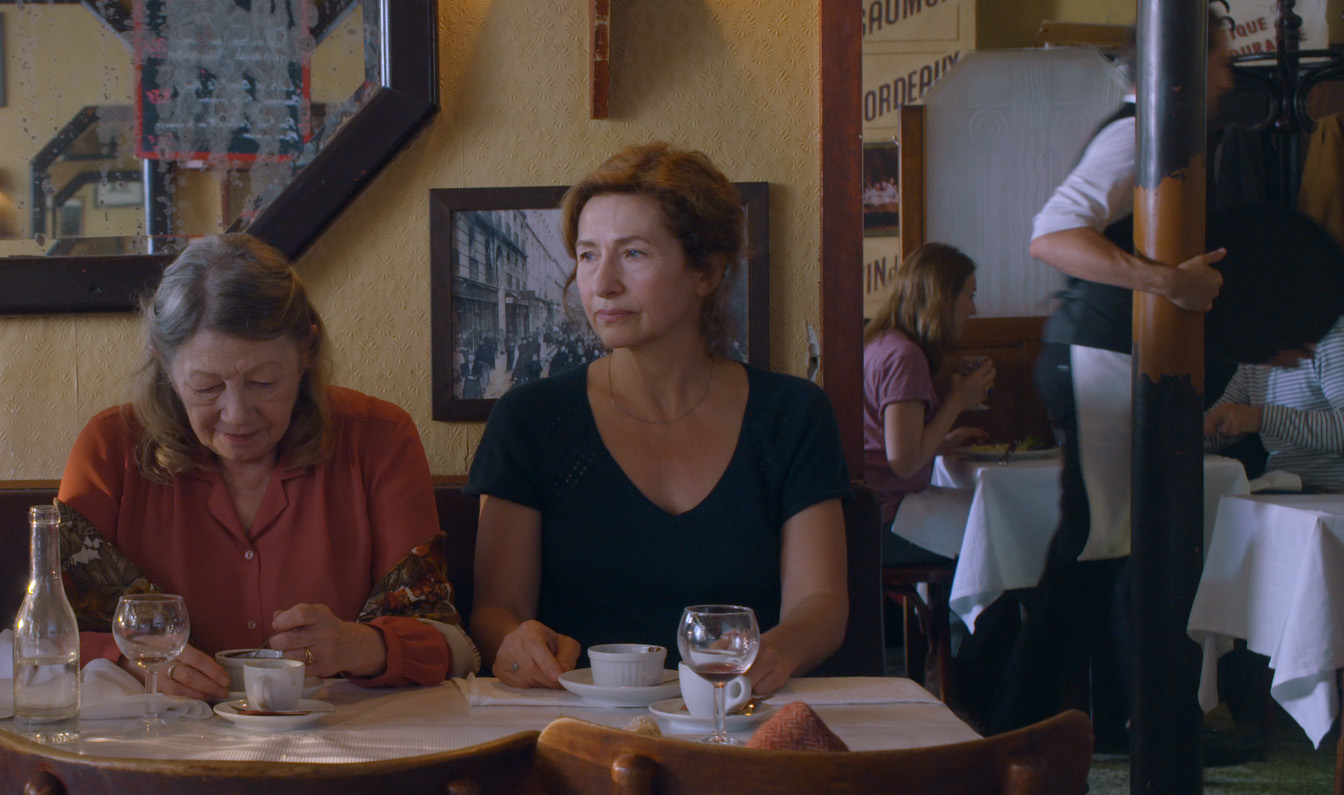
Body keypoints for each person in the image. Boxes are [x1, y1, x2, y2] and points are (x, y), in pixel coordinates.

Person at [466, 141, 851, 697]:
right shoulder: (529, 418)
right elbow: (495, 609)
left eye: (633, 254)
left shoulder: (792, 413)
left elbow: (822, 603)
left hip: (740, 712)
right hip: (575, 719)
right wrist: (516, 642)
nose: (602, 283)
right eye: (588, 255)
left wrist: (774, 652)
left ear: (706, 271)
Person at [56, 233, 473, 698]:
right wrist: (131, 662)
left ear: (306, 352)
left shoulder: (378, 438)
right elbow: (49, 634)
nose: (237, 415)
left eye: (264, 382)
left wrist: (361, 646)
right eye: (207, 387)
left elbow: (451, 644)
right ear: (166, 367)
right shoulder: (110, 449)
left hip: (337, 736)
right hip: (159, 735)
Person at [985, 20, 1237, 736]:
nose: (1229, 80)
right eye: (1221, 63)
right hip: (1097, 361)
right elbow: (1052, 235)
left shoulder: (1165, 139)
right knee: (1093, 551)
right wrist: (1166, 282)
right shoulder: (1133, 137)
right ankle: (1011, 732)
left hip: (1118, 360)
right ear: (1182, 69)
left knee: (1123, 553)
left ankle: (1139, 724)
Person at [863, 242, 995, 564]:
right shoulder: (904, 356)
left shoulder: (883, 343)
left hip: (870, 512)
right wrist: (957, 401)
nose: (973, 310)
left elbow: (883, 442)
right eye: (970, 295)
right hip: (885, 520)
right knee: (997, 533)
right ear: (943, 297)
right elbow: (904, 463)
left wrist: (942, 442)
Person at [1205, 316, 1344, 492]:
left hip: (1332, 495)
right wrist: (1185, 436)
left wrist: (1261, 418)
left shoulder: (1334, 338)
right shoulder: (1256, 356)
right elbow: (1221, 421)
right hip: (1282, 490)